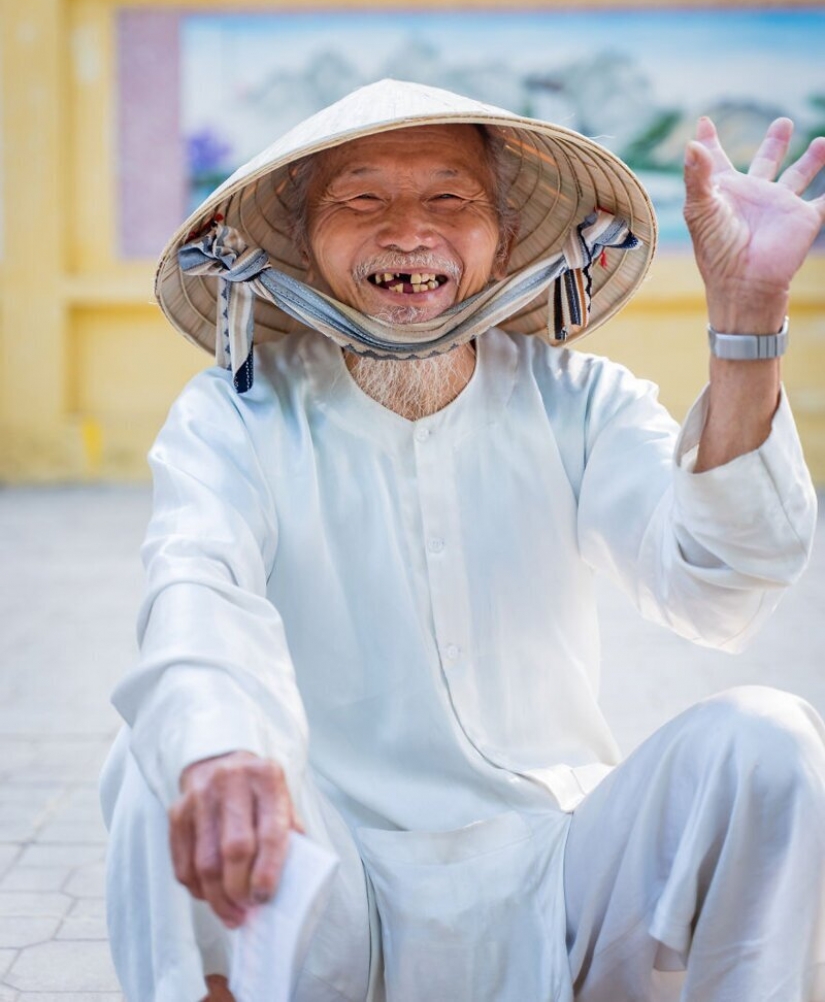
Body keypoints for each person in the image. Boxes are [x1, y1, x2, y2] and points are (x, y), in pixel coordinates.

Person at [101, 79, 825, 1002]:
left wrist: (748, 318)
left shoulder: (579, 397)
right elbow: (195, 589)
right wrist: (219, 747)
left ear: (505, 241)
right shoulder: (234, 413)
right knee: (163, 750)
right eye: (361, 199)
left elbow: (720, 583)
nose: (408, 232)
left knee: (769, 739)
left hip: (555, 870)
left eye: (449, 199)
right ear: (307, 245)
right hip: (331, 886)